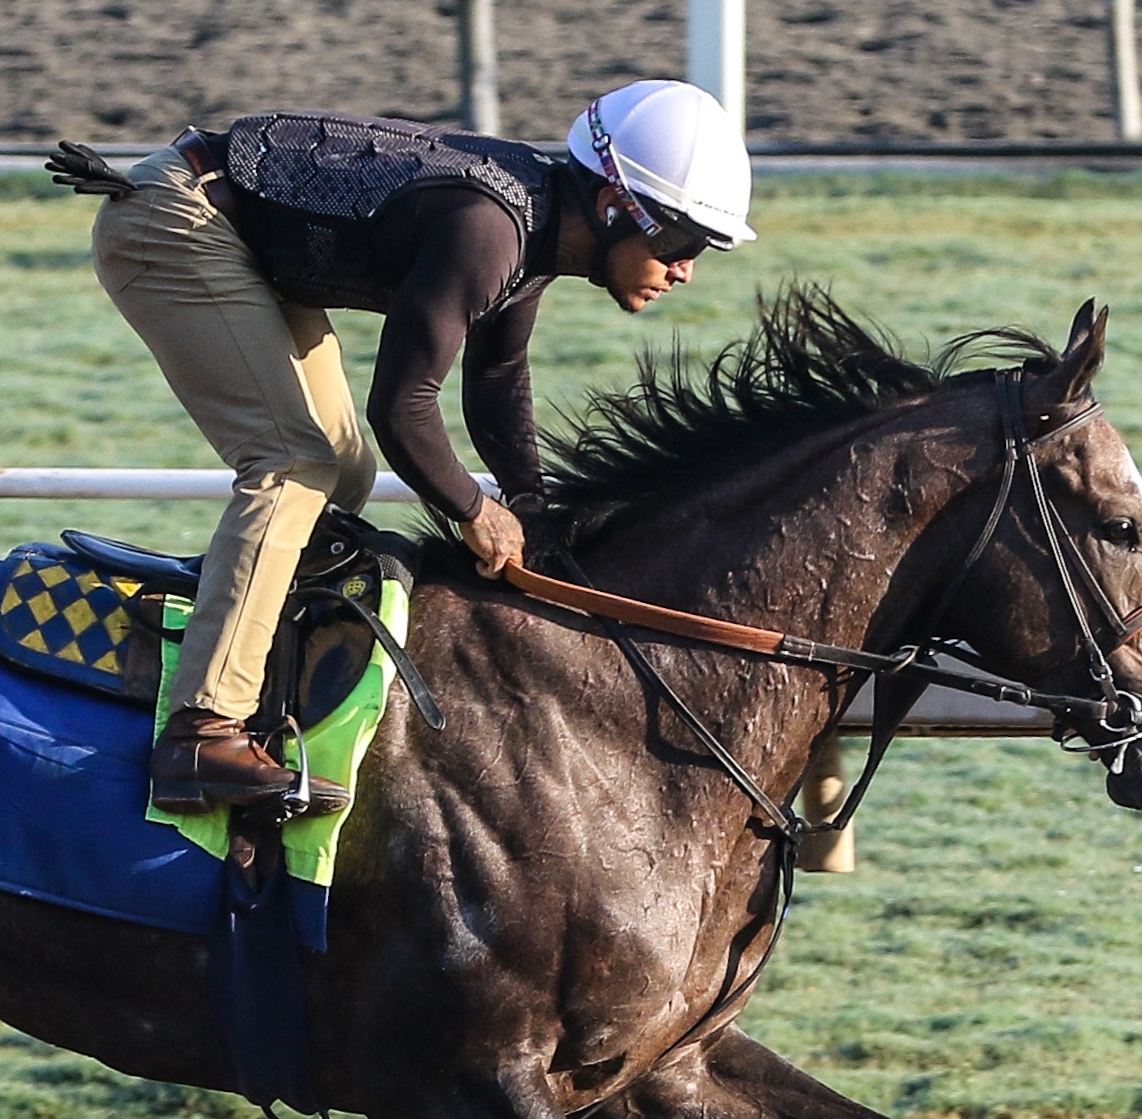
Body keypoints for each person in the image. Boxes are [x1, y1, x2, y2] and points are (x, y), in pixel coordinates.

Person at [58, 80, 756, 814]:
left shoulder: (537, 226)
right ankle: (200, 732)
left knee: (342, 471)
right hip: (175, 221)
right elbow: (401, 409)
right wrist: (472, 511)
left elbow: (495, 378)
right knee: (296, 462)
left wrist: (531, 509)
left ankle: (261, 673)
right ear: (616, 207)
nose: (685, 269)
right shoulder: (488, 232)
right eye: (680, 241)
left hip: (235, 230)